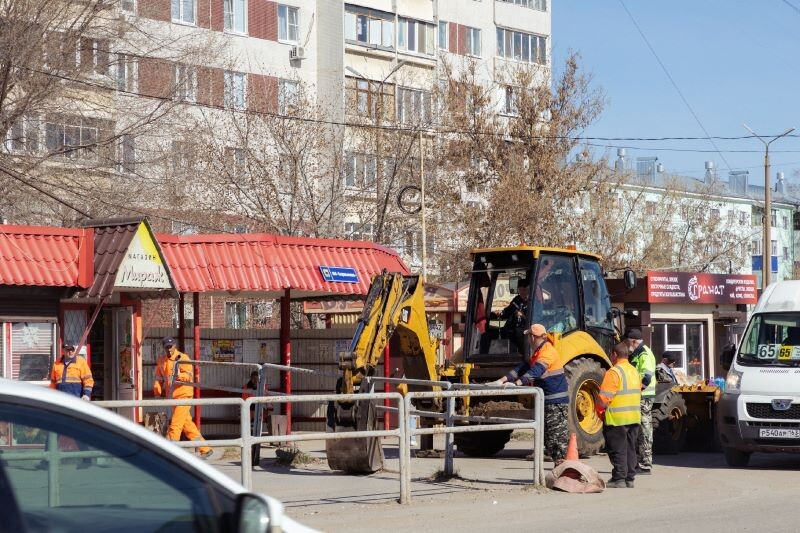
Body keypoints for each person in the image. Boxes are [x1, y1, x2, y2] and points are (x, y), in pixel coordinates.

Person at [487, 323, 569, 465]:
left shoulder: (547, 352)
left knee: (557, 440)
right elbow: (522, 368)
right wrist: (501, 381)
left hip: (556, 402)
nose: (527, 340)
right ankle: (559, 470)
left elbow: (536, 371)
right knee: (549, 439)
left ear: (532, 337)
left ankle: (565, 473)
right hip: (547, 401)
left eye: (528, 337)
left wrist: (517, 384)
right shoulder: (538, 352)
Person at [153, 337, 212, 459]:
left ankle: (169, 452)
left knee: (175, 425)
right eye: (167, 347)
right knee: (187, 425)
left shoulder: (182, 358)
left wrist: (179, 376)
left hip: (184, 396)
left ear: (175, 345)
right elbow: (159, 379)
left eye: (171, 346)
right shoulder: (162, 361)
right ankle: (205, 449)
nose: (169, 349)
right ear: (164, 348)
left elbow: (189, 376)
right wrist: (157, 390)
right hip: (173, 397)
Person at [596, 342, 642, 488]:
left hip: (617, 418)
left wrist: (598, 411)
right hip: (634, 416)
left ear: (615, 355)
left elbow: (604, 398)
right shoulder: (634, 371)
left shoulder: (614, 372)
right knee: (630, 448)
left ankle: (619, 478)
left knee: (618, 449)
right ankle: (629, 478)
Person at [624, 328, 656, 476]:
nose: (627, 345)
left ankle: (645, 464)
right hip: (640, 397)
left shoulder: (644, 354)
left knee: (644, 430)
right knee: (639, 430)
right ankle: (639, 462)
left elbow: (647, 378)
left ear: (634, 341)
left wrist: (636, 391)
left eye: (628, 342)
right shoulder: (638, 353)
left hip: (644, 397)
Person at [490, 278, 530, 353]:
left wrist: (522, 315)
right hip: (513, 328)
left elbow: (534, 319)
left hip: (526, 330)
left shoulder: (532, 301)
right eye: (520, 290)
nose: (521, 292)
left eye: (524, 290)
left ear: (528, 290)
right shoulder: (517, 299)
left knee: (518, 332)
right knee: (494, 328)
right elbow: (508, 310)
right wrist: (501, 312)